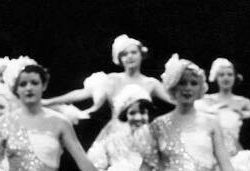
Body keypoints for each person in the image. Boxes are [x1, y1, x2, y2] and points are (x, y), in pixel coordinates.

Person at [43, 33, 172, 114]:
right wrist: (49, 101)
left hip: (142, 133)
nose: (129, 57)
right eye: (124, 54)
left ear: (141, 54)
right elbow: (83, 93)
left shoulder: (151, 83)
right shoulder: (112, 80)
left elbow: (174, 100)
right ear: (119, 59)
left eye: (133, 52)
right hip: (117, 135)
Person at [197, 58, 250, 154]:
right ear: (216, 77)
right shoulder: (206, 100)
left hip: (233, 153)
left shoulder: (242, 101)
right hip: (208, 151)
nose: (226, 78)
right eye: (221, 75)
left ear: (235, 77)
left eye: (229, 74)